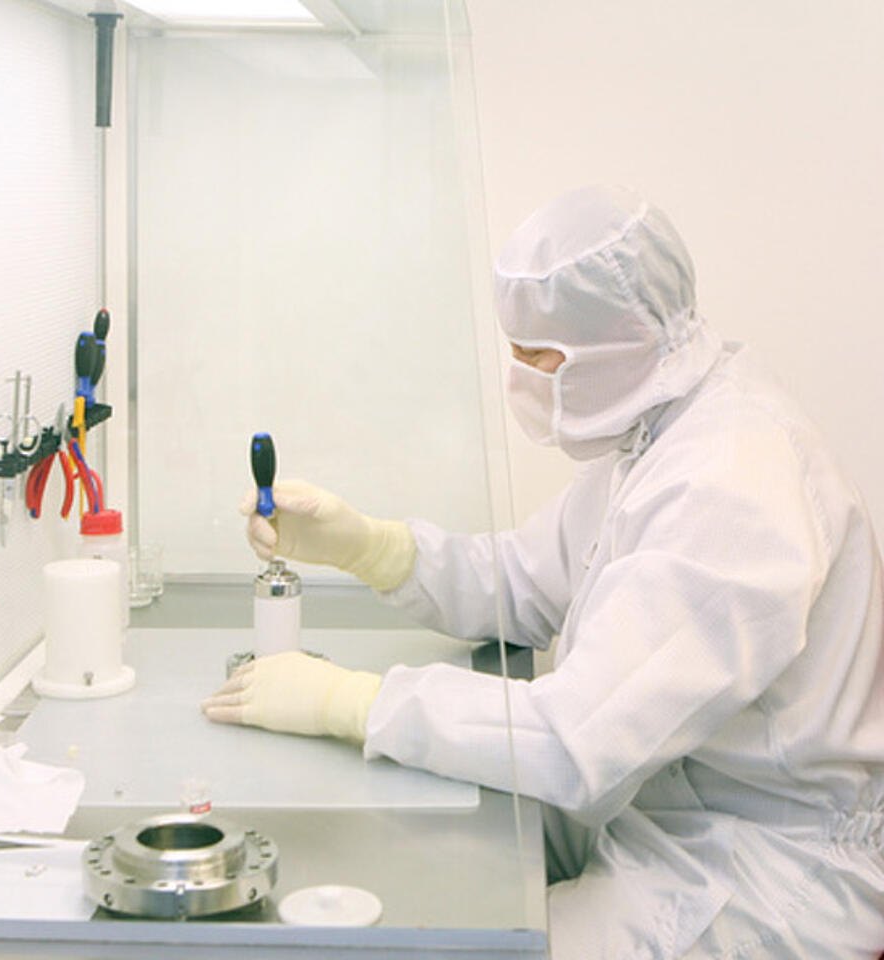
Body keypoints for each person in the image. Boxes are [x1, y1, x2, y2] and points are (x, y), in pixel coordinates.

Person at [201, 185, 884, 959]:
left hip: (767, 872)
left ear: (619, 345)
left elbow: (574, 741)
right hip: (660, 810)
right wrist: (371, 546)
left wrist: (355, 702)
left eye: (540, 358)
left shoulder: (731, 484)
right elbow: (521, 584)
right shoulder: (658, 437)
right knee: (435, 883)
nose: (521, 377)